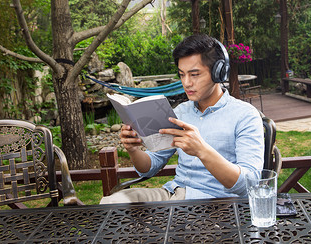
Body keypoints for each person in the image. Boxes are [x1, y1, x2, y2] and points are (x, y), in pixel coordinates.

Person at [100, 34, 264, 203]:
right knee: (111, 203)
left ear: (218, 73)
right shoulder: (180, 112)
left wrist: (202, 150)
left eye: (194, 74)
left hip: (217, 205)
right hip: (174, 195)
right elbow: (150, 168)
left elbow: (249, 184)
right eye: (182, 74)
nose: (186, 83)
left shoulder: (245, 116)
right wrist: (133, 150)